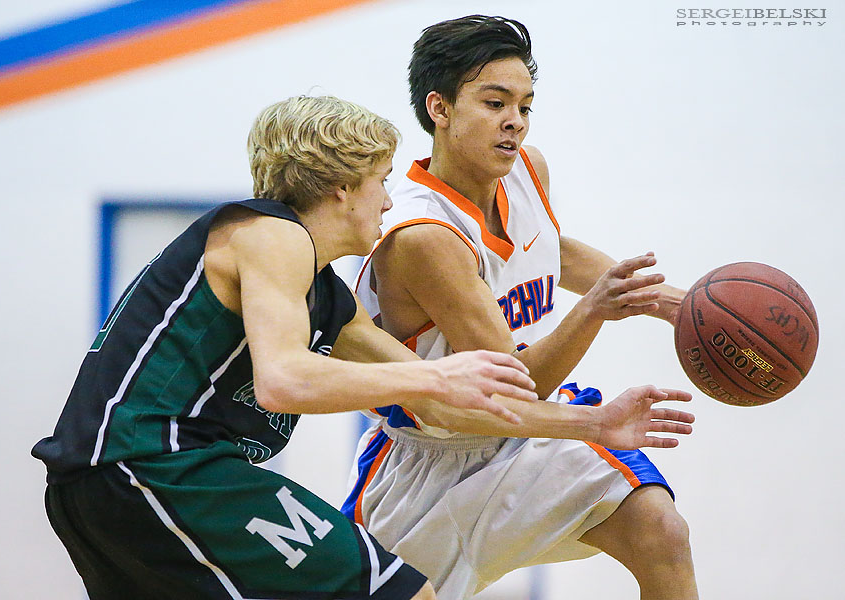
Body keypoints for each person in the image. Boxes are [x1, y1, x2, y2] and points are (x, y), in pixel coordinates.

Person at [31, 95, 549, 600]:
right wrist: (436, 375)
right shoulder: (273, 234)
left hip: (101, 482)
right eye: (383, 181)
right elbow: (284, 380)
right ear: (345, 186)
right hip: (155, 465)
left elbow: (439, 406)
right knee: (400, 592)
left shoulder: (325, 293)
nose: (390, 201)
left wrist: (597, 427)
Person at [342, 16, 699, 600]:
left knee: (661, 532)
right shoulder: (424, 234)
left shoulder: (528, 169)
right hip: (425, 463)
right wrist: (595, 310)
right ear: (440, 108)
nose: (515, 120)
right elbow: (513, 390)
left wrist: (669, 302)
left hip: (532, 439)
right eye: (495, 102)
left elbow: (551, 249)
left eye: (525, 105)